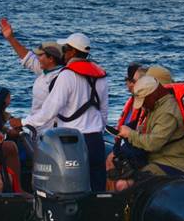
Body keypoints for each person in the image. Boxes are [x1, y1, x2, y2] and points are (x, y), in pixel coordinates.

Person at [10, 32, 109, 191]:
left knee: (72, 190)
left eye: (66, 49)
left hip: (73, 143)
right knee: (97, 190)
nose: (63, 52)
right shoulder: (101, 75)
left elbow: (49, 111)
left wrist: (22, 122)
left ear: (73, 52)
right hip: (96, 140)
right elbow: (103, 112)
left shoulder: (67, 75)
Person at [117, 74, 184, 185]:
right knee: (116, 170)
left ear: (153, 94)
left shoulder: (168, 112)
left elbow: (153, 144)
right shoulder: (156, 106)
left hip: (172, 165)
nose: (143, 106)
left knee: (123, 184)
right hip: (157, 160)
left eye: (144, 101)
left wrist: (130, 134)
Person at [0, 19, 65, 134]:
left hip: (51, 134)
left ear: (51, 59)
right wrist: (11, 38)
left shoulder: (61, 78)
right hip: (38, 130)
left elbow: (50, 112)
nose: (37, 57)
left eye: (41, 55)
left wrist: (23, 122)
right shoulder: (45, 70)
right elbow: (27, 57)